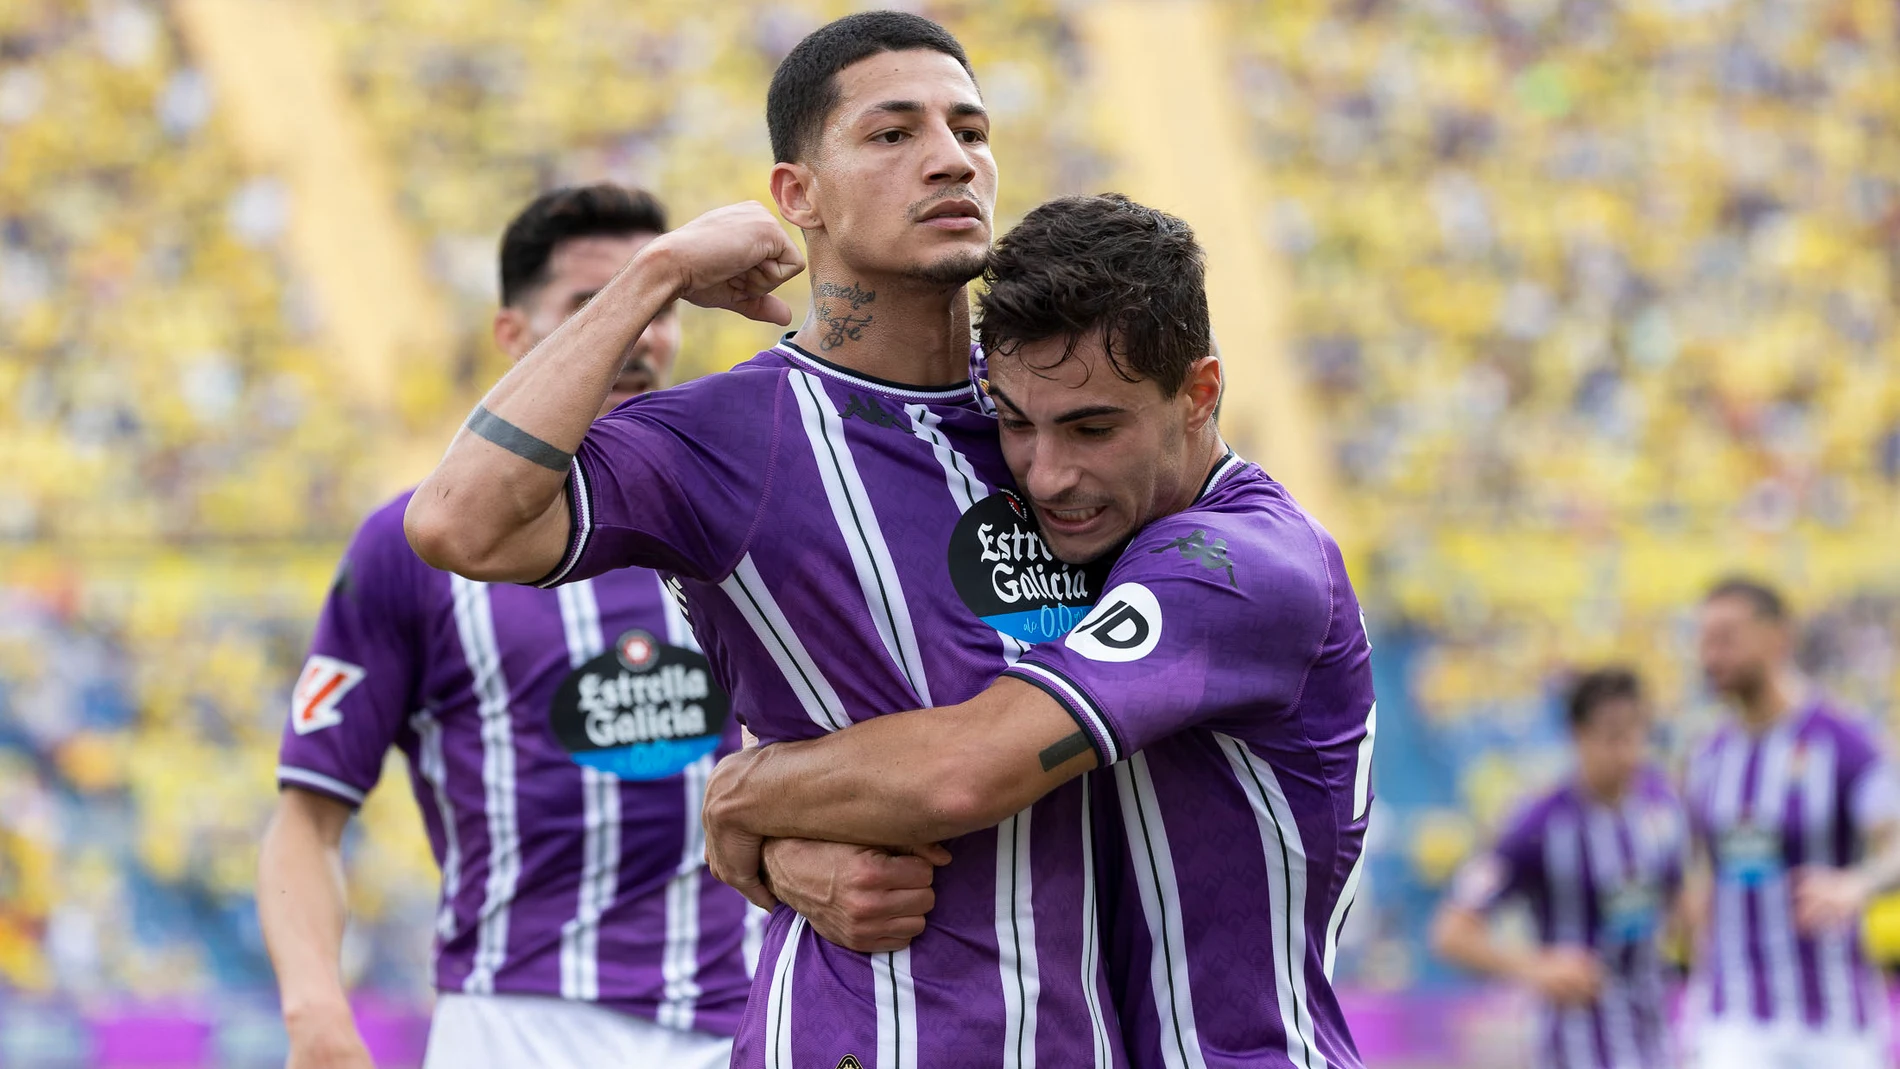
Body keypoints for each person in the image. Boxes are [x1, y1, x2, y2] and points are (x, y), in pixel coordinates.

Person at [402, 13, 1127, 1069]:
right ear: (797, 197)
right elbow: (454, 520)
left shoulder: (1063, 420)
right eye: (892, 135)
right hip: (860, 1034)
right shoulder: (724, 436)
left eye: (970, 130)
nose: (949, 158)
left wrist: (754, 811)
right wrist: (652, 274)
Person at [701, 192, 1378, 1069]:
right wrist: (792, 860)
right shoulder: (1096, 533)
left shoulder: (1240, 565)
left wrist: (742, 795)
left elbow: (967, 767)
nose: (1051, 475)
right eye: (1017, 423)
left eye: (1093, 427)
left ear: (1200, 393)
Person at [259, 185, 762, 1069]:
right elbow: (308, 814)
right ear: (512, 337)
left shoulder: (739, 517)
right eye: (597, 304)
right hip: (517, 1027)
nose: (639, 333)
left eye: (660, 300)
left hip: (748, 1015)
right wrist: (315, 1014)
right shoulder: (409, 547)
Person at [1681, 577, 1900, 1069]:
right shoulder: (1706, 757)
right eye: (1704, 640)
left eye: (1726, 638)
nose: (1710, 655)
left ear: (1779, 638)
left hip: (1837, 1020)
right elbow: (1702, 886)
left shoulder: (1845, 740)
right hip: (1733, 1023)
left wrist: (1857, 884)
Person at [1430, 668, 1685, 1069]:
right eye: (1614, 737)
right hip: (1575, 1047)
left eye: (1638, 734)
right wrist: (1535, 967)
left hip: (1657, 1045)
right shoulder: (1538, 824)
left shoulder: (1661, 804)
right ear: (1578, 736)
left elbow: (1681, 902)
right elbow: (1451, 932)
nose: (1629, 751)